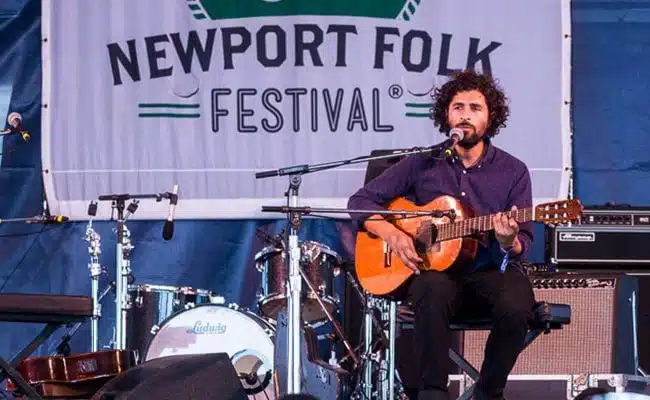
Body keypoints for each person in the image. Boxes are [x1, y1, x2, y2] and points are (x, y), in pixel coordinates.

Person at [347, 69, 536, 400]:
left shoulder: (513, 171)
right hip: (437, 275)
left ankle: (488, 391)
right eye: (458, 107)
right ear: (445, 115)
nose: (465, 115)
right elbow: (359, 202)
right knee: (430, 287)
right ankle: (432, 392)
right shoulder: (423, 162)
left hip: (489, 273)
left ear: (490, 119)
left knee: (519, 302)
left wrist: (508, 240)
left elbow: (523, 244)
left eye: (475, 108)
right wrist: (394, 235)